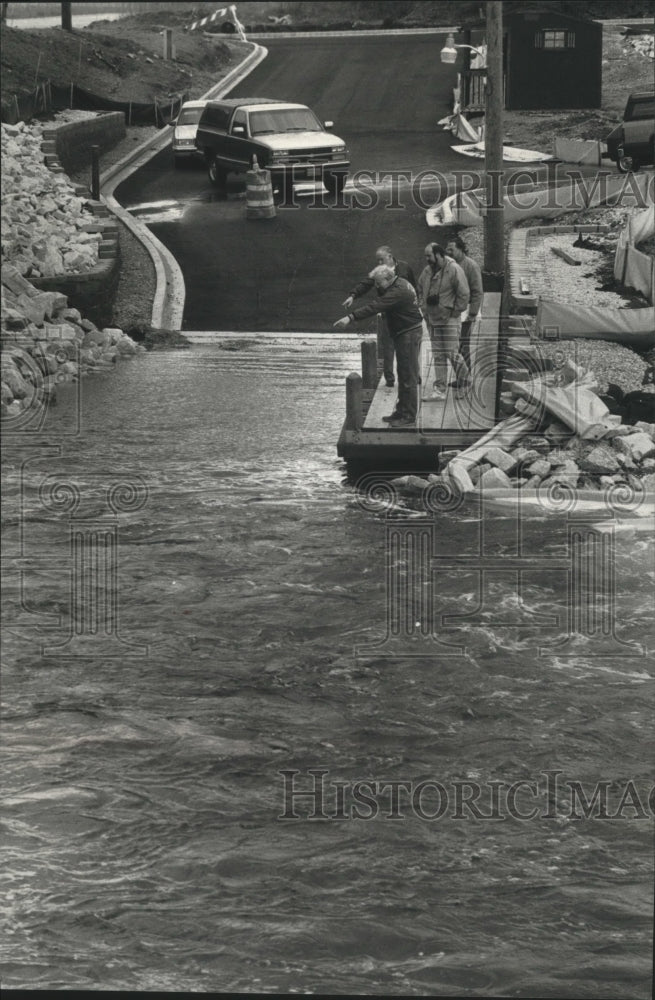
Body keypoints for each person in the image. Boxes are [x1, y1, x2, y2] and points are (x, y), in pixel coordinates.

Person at [334, 265, 423, 426]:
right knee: (403, 374)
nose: (376, 286)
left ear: (388, 279)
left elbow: (375, 306)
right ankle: (401, 411)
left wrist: (350, 317)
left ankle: (409, 416)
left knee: (408, 376)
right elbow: (381, 297)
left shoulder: (398, 291)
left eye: (378, 282)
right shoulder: (399, 282)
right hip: (405, 331)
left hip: (408, 334)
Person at [342, 246, 417, 388]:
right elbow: (365, 284)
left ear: (390, 256)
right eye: (378, 260)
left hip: (404, 315)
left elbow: (413, 287)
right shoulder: (378, 272)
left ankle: (415, 375)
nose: (380, 262)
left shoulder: (404, 268)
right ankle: (389, 379)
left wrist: (416, 305)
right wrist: (353, 295)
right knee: (388, 346)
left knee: (408, 348)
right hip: (386, 312)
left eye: (381, 259)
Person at [417, 242, 470, 399]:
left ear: (439, 254)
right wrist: (423, 306)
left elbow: (464, 294)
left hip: (449, 319)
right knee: (438, 354)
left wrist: (455, 312)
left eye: (429, 256)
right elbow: (419, 288)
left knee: (452, 353)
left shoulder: (454, 269)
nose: (427, 259)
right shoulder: (427, 271)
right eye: (426, 256)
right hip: (432, 319)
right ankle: (439, 390)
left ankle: (465, 382)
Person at [445, 236, 483, 370]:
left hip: (467, 310)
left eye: (452, 249)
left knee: (463, 344)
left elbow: (477, 291)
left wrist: (472, 313)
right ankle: (461, 375)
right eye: (447, 249)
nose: (448, 252)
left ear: (461, 249)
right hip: (453, 309)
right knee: (454, 344)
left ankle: (466, 377)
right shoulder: (448, 265)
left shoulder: (471, 265)